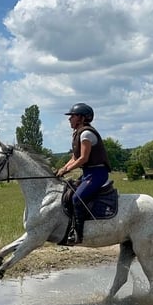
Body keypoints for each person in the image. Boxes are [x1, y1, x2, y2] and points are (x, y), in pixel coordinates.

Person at [55, 102, 111, 244]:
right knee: (68, 193)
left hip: (97, 173)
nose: (69, 119)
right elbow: (74, 157)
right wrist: (61, 169)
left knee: (77, 198)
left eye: (72, 116)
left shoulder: (86, 133)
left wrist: (66, 170)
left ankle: (78, 234)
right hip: (88, 173)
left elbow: (83, 158)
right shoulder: (78, 133)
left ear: (81, 118)